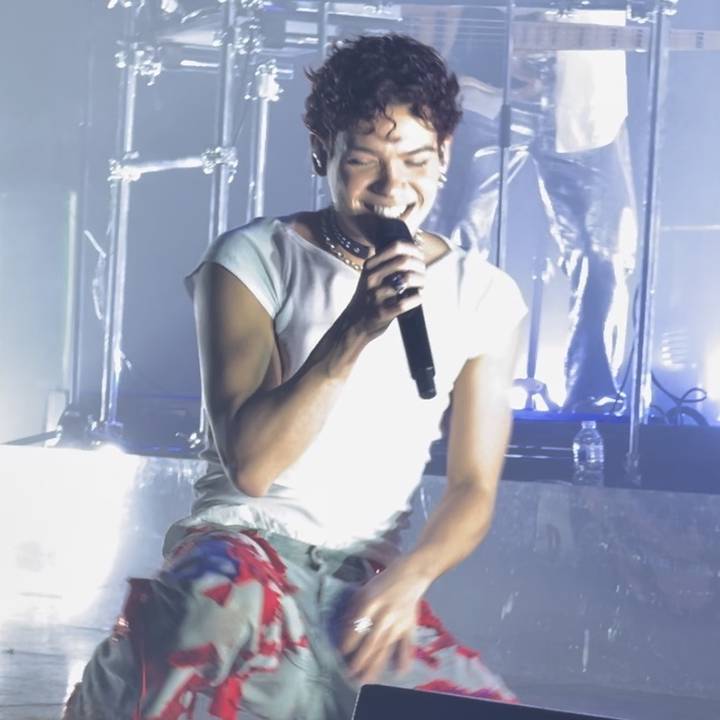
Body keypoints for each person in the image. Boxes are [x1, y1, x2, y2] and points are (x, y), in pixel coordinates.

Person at [64, 34, 527, 719]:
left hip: (362, 574)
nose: (393, 188)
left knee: (473, 702)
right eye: (363, 161)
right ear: (322, 154)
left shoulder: (486, 295)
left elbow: (473, 487)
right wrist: (356, 328)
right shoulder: (253, 259)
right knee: (212, 626)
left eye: (416, 162)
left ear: (446, 157)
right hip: (241, 546)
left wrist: (412, 577)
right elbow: (253, 465)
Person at [416, 6, 638, 412]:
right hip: (486, 77)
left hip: (585, 90)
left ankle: (592, 401)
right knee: (449, 241)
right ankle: (434, 385)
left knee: (604, 248)